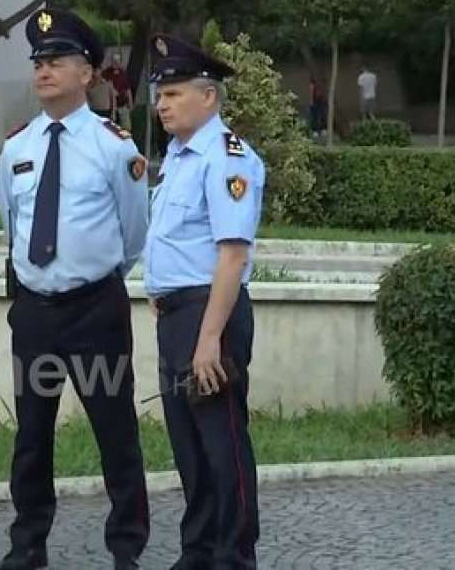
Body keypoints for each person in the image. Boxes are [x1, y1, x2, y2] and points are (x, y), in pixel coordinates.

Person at [0, 8, 150, 570]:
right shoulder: (16, 148)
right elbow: (12, 226)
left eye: (57, 59)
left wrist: (95, 273)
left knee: (115, 432)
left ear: (89, 73)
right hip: (35, 313)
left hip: (94, 311)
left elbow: (134, 232)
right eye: (38, 60)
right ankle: (27, 546)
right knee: (31, 436)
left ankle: (126, 549)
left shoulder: (116, 148)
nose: (44, 69)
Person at [143, 34, 265, 570]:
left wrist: (209, 337)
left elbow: (232, 256)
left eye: (173, 93)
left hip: (210, 314)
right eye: (160, 94)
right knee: (189, 445)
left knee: (222, 442)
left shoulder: (227, 158)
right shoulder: (178, 156)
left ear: (208, 96)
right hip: (178, 314)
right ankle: (198, 552)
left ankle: (233, 556)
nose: (162, 104)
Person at [103, 53, 134, 130]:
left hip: (122, 105)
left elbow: (128, 89)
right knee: (112, 130)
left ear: (120, 62)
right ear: (111, 61)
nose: (116, 62)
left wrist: (130, 103)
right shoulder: (106, 73)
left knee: (126, 129)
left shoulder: (123, 73)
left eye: (117, 60)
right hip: (110, 107)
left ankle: (126, 141)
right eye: (114, 60)